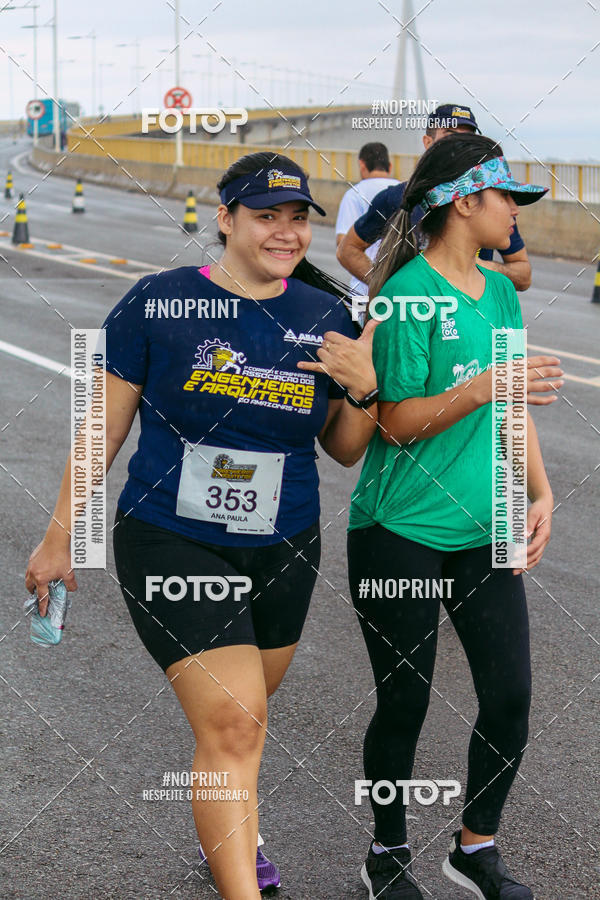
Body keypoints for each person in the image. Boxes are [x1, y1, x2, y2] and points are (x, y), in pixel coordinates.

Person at [24, 151, 381, 900]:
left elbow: (345, 450)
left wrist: (365, 389)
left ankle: (236, 830)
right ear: (225, 219)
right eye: (265, 216)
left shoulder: (324, 315)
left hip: (285, 543)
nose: (285, 232)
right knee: (234, 723)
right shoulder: (157, 303)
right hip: (170, 536)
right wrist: (60, 537)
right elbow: (102, 429)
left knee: (242, 721)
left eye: (297, 219)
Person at [345, 132, 563, 899]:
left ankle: (475, 848)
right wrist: (479, 387)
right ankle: (386, 853)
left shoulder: (500, 292)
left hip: (485, 527)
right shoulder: (406, 294)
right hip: (397, 531)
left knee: (510, 695)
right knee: (405, 699)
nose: (516, 212)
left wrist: (539, 493)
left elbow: (512, 404)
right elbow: (392, 424)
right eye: (507, 198)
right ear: (465, 203)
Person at [337, 104, 533, 300]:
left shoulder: (490, 205)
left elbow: (523, 275)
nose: (460, 144)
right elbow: (347, 250)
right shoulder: (397, 198)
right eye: (450, 136)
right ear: (428, 142)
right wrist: (389, 288)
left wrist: (480, 267)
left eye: (468, 137)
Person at [335, 142, 399, 295]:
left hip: (363, 289)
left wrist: (377, 281)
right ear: (390, 166)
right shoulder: (404, 192)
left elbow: (342, 244)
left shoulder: (354, 194)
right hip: (400, 286)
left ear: (362, 165)